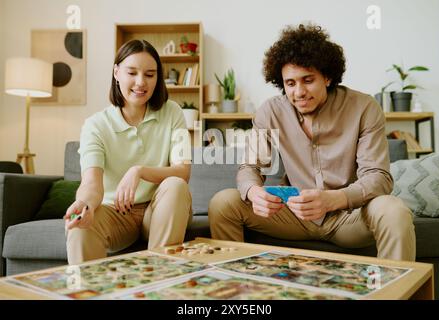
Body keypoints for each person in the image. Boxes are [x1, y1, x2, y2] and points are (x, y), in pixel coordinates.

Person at [209, 23, 416, 261]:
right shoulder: (271, 112)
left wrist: (333, 200)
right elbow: (250, 167)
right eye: (290, 83)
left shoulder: (364, 108)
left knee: (393, 210)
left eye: (308, 80)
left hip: (348, 216)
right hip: (294, 216)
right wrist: (254, 192)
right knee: (224, 203)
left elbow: (378, 177)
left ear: (327, 77)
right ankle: (235, 289)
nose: (299, 92)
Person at [65, 39, 192, 265]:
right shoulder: (95, 125)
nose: (140, 82)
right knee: (80, 226)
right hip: (116, 213)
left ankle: (161, 280)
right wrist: (84, 204)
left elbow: (183, 172)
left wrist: (139, 171)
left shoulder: (172, 113)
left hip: (159, 210)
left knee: (176, 185)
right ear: (116, 72)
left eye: (150, 74)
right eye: (132, 72)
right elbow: (92, 184)